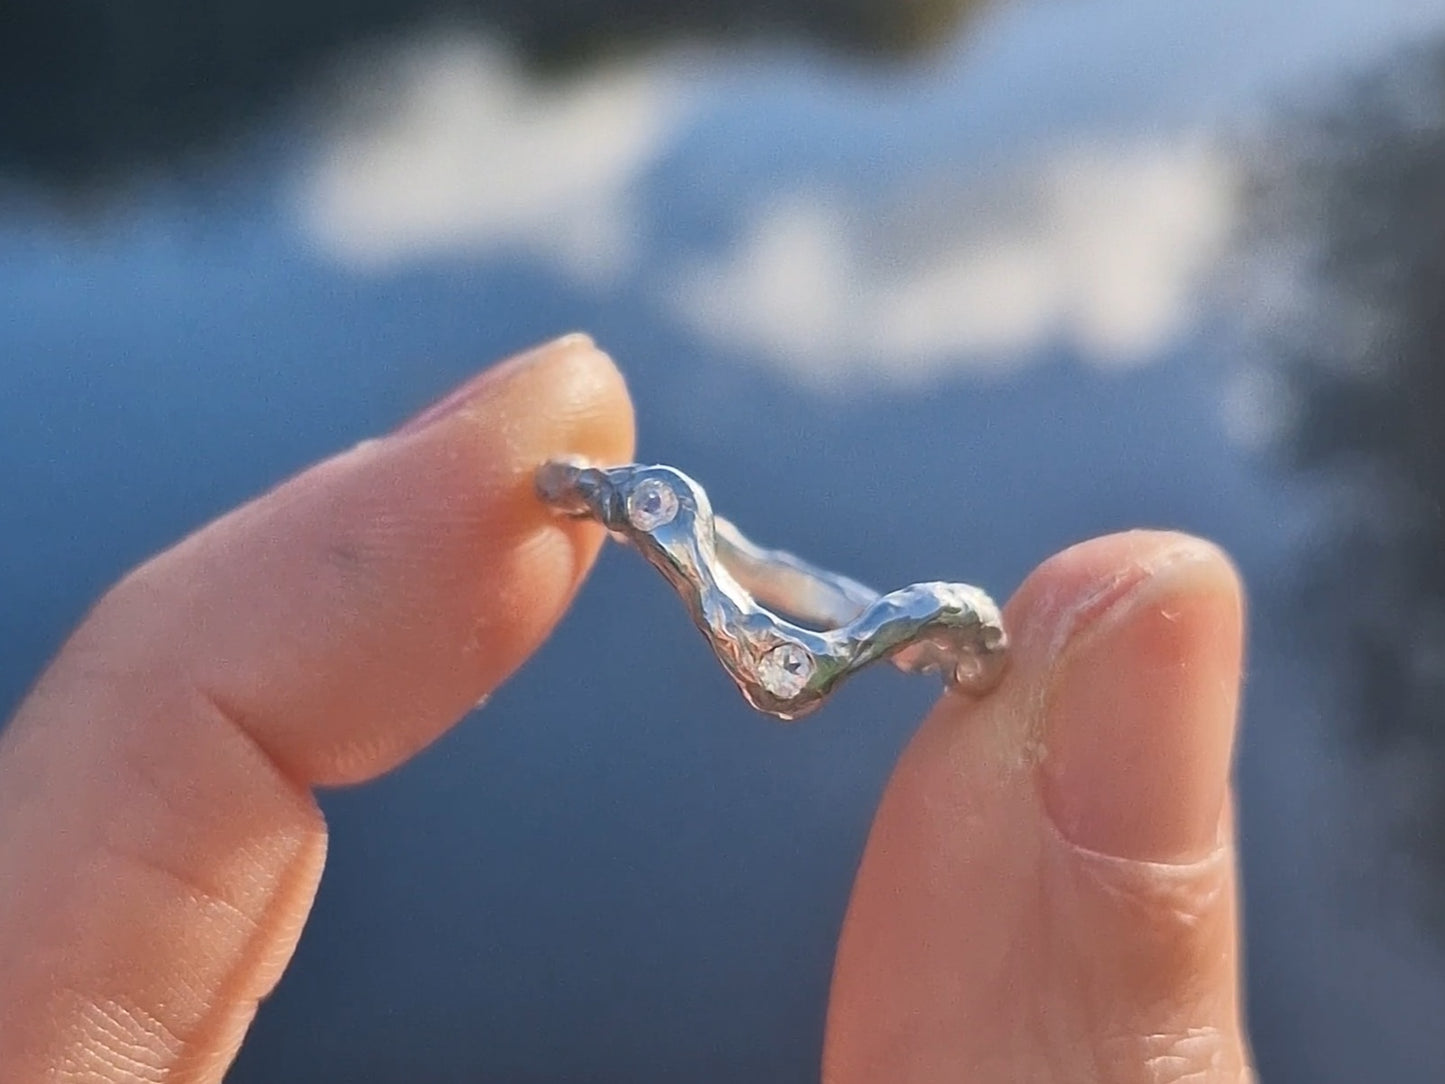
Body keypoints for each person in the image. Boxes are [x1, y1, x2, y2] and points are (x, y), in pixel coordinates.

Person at [0, 335, 1252, 1082]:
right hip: (821, 604)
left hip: (840, 614)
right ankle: (780, 627)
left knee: (761, 576)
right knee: (746, 568)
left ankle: (787, 633)